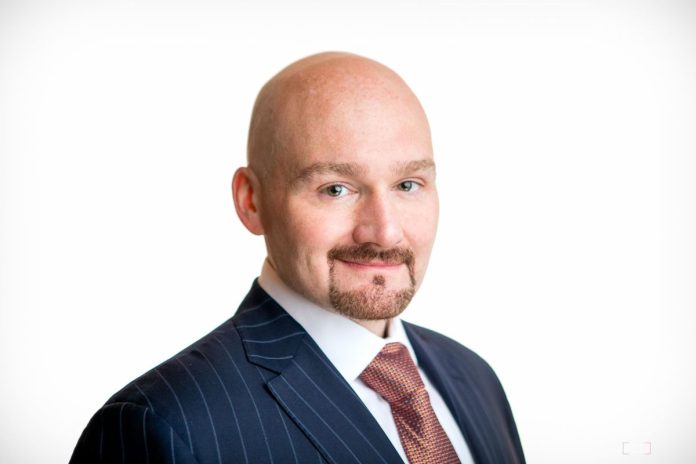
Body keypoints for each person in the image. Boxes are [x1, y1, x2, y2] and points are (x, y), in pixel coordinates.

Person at [70, 52, 525, 464]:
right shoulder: (164, 425)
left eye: (408, 185)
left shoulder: (475, 379)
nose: (385, 232)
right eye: (336, 189)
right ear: (252, 201)